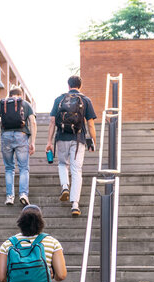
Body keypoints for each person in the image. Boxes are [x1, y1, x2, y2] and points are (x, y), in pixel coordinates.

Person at [45, 75, 97, 217]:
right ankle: (75, 205)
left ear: (68, 85)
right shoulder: (85, 100)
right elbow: (90, 123)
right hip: (78, 138)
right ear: (80, 86)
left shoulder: (59, 99)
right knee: (76, 170)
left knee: (62, 164)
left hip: (61, 138)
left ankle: (65, 186)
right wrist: (93, 140)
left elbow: (52, 122)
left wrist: (49, 142)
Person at [0, 85, 37, 206]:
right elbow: (33, 122)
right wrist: (33, 142)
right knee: (23, 168)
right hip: (21, 135)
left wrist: (3, 120)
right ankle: (23, 194)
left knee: (9, 168)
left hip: (6, 136)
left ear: (10, 95)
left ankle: (10, 197)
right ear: (20, 95)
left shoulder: (2, 104)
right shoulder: (25, 104)